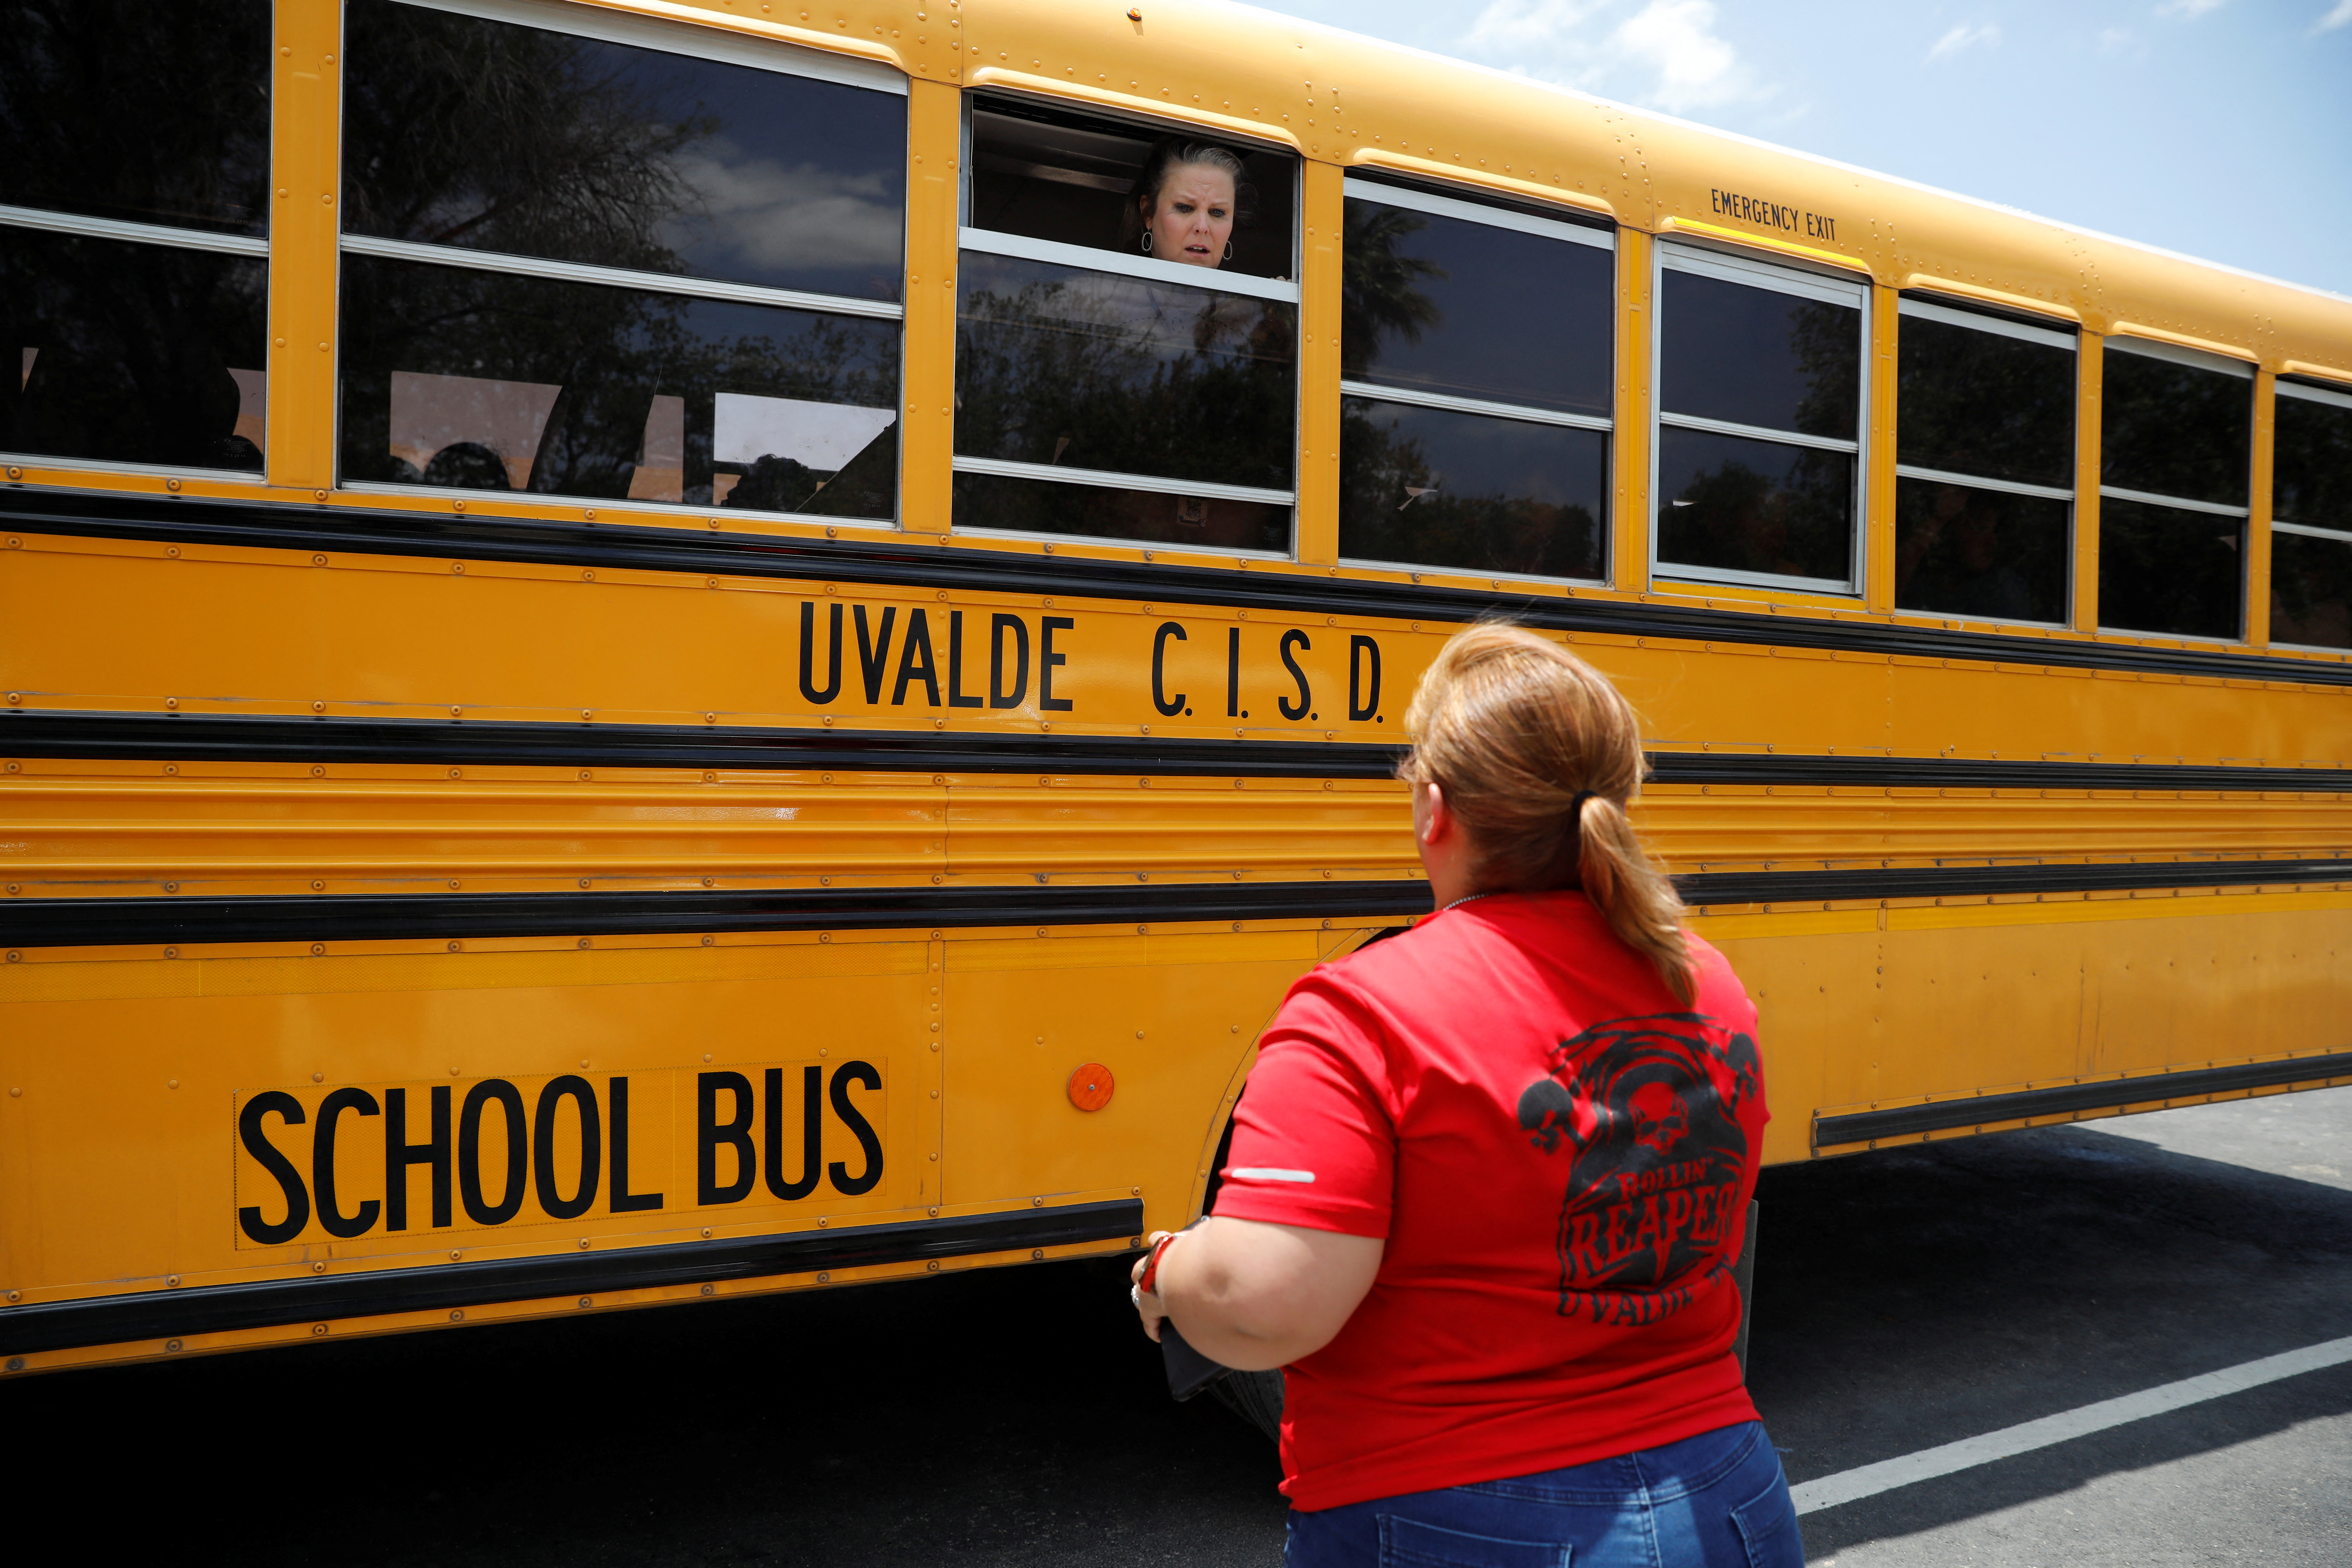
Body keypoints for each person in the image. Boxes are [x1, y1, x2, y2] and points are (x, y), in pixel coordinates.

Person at [1130, 623, 1799, 1567]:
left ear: (1434, 810)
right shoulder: (1703, 981)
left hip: (1459, 1514)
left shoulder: (1363, 1010)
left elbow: (1264, 1301)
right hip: (1729, 1498)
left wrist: (1168, 1276)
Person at [1122, 138, 1245, 269]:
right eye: (1185, 208)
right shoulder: (1106, 288)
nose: (1202, 227)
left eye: (1217, 212)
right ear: (1148, 213)